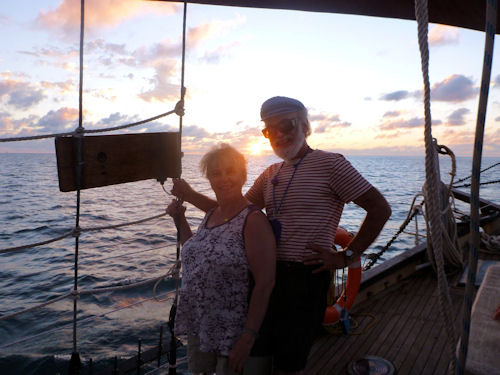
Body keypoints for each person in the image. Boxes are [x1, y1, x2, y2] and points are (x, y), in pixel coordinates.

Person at [172, 96, 392, 375]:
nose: (277, 134)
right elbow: (233, 211)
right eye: (268, 129)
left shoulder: (331, 164)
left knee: (289, 361)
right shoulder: (270, 173)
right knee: (256, 358)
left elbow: (380, 208)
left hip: (304, 279)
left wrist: (347, 255)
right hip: (264, 277)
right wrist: (189, 195)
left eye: (286, 125)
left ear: (304, 125)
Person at [166, 143, 276, 375]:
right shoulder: (212, 214)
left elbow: (265, 284)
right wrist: (179, 220)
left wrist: (247, 337)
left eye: (230, 171)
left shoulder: (253, 220)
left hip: (232, 330)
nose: (224, 178)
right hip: (201, 323)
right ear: (209, 179)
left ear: (243, 175)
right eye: (216, 173)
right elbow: (197, 253)